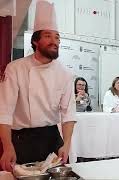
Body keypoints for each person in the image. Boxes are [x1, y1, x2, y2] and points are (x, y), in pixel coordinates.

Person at [0, 1, 76, 172]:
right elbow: (4, 111)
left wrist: (67, 144)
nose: (54, 41)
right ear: (35, 41)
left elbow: (68, 113)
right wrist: (7, 146)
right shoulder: (16, 68)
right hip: (21, 139)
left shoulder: (65, 74)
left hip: (51, 138)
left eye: (57, 37)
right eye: (48, 36)